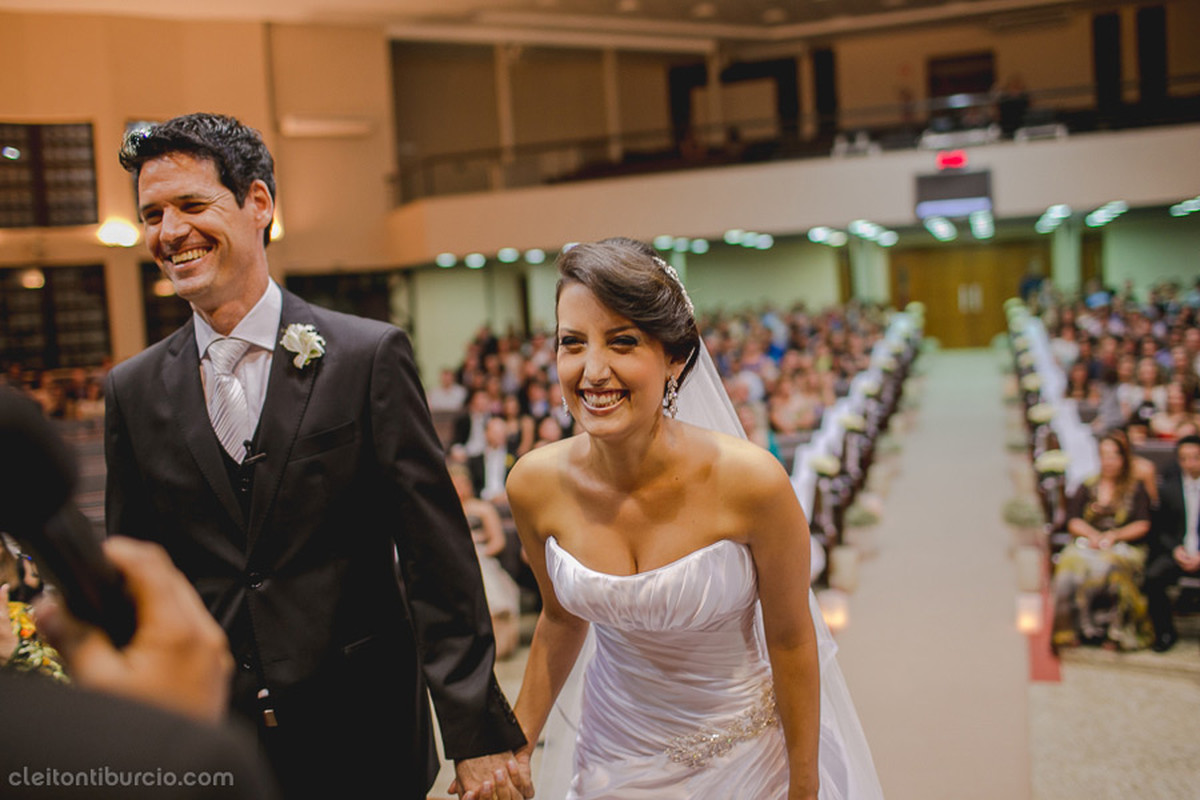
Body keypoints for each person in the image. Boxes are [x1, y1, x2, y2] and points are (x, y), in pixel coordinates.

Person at [105, 113, 528, 800]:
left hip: (363, 736)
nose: (169, 232)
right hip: (217, 746)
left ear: (258, 203)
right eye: (152, 215)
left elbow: (436, 556)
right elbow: (137, 578)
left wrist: (475, 733)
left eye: (190, 205)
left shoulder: (366, 357)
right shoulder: (132, 390)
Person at [492, 238, 881, 800]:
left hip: (748, 763)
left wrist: (804, 784)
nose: (592, 371)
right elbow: (560, 619)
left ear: (674, 357)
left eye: (622, 342)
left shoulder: (752, 483)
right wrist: (518, 745)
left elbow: (792, 639)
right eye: (571, 343)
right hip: (612, 761)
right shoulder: (534, 484)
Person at [1051, 432, 1155, 651]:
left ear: (1123, 458)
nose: (1109, 462)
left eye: (1114, 456)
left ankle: (1115, 631)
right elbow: (1073, 519)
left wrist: (1114, 536)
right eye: (1104, 456)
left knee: (1110, 565)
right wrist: (1093, 536)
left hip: (1124, 545)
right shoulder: (1088, 484)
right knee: (1069, 564)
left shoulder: (1135, 488)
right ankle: (1072, 629)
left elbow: (1143, 524)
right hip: (1090, 542)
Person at [449, 462, 521, 660]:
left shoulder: (482, 508)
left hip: (482, 557)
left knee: (480, 567)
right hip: (454, 561)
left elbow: (498, 542)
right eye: (455, 484)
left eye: (462, 483)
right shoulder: (445, 511)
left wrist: (476, 548)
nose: (459, 488)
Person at [1144, 434, 1200, 652]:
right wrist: (1176, 549)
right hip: (1179, 551)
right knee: (1153, 577)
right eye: (1184, 458)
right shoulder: (1169, 489)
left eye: (1195, 458)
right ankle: (1165, 632)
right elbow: (1161, 529)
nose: (1190, 463)